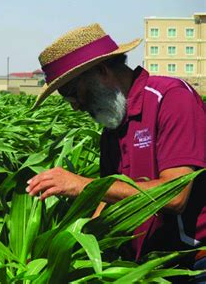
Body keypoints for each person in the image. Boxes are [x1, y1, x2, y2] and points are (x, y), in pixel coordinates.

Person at [26, 24, 205, 273]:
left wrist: (84, 185)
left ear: (101, 71)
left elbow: (175, 196)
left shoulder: (171, 98)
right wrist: (64, 248)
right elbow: (110, 197)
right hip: (145, 269)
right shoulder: (113, 129)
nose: (75, 107)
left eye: (72, 92)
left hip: (193, 265)